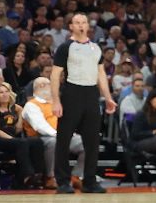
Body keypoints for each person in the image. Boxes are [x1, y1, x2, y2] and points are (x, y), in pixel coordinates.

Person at [50, 12, 117, 194]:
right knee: (63, 139)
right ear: (71, 26)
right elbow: (55, 75)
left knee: (93, 141)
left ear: (88, 26)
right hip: (71, 92)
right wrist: (56, 101)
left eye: (83, 22)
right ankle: (63, 182)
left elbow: (101, 74)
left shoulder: (96, 48)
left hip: (91, 94)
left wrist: (108, 97)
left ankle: (89, 181)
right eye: (77, 22)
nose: (80, 25)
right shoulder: (65, 47)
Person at [21, 77, 84, 190]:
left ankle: (76, 176)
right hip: (40, 138)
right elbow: (39, 126)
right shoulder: (31, 105)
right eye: (49, 85)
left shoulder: (57, 104)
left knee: (86, 142)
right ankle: (51, 177)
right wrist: (60, 135)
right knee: (53, 142)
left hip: (62, 135)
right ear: (40, 87)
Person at [0, 81, 40, 189]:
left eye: (6, 91)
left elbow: (21, 110)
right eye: (0, 92)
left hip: (14, 141)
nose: (4, 94)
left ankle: (38, 174)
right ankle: (27, 174)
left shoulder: (13, 107)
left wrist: (19, 121)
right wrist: (11, 139)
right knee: (22, 143)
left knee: (37, 141)